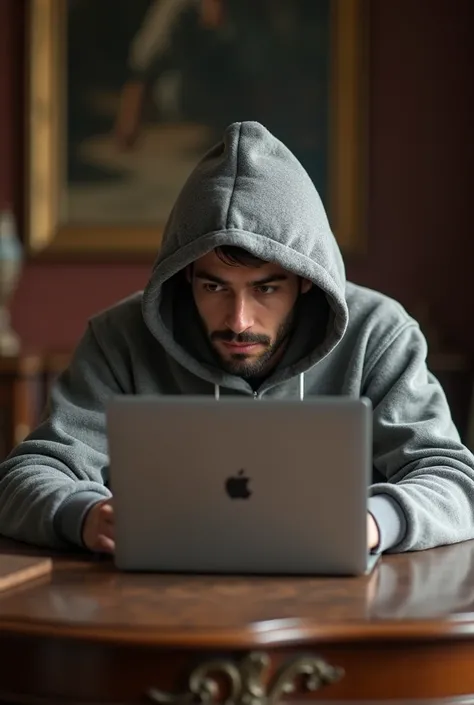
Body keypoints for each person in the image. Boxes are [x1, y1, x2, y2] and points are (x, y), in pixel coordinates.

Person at [1, 121, 474, 556]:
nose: (239, 320)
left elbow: (454, 481)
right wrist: (82, 515)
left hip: (343, 606)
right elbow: (24, 477)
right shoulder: (118, 338)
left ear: (305, 279)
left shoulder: (379, 334)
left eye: (265, 288)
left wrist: (371, 522)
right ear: (186, 276)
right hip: (154, 607)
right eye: (214, 287)